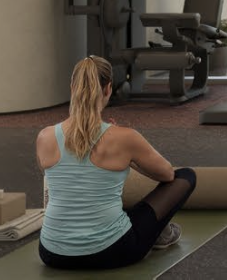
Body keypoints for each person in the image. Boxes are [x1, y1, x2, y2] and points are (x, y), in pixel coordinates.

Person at [36, 56, 197, 269]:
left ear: (72, 88)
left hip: (52, 253)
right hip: (113, 252)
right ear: (108, 89)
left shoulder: (45, 136)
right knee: (186, 176)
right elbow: (167, 174)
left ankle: (153, 232)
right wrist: (130, 158)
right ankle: (159, 233)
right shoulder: (125, 138)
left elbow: (61, 184)